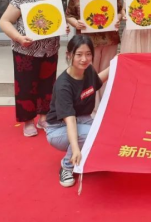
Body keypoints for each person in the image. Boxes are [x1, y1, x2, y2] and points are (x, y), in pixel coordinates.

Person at [0, 0, 69, 137]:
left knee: (47, 85)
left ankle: (44, 118)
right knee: (26, 86)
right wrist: (18, 38)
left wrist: (63, 27)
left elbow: (57, 22)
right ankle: (28, 121)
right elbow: (4, 21)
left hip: (49, 51)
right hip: (26, 51)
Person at [45, 35, 111, 188]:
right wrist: (75, 148)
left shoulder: (88, 70)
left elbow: (97, 82)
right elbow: (70, 120)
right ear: (69, 55)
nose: (84, 59)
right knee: (89, 134)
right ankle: (67, 166)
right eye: (79, 54)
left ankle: (85, 154)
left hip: (81, 118)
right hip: (57, 129)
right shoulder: (63, 85)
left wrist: (116, 64)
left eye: (88, 54)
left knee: (105, 130)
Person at [65, 0, 122, 74]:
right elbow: (69, 14)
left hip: (110, 39)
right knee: (89, 72)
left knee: (107, 72)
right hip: (87, 40)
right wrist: (76, 23)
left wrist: (118, 19)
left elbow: (120, 11)